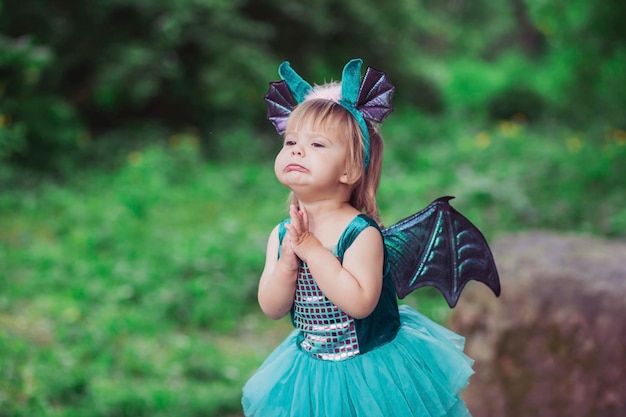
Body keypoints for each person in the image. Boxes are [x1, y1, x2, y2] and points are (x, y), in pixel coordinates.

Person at [242, 59, 475, 417]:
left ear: (350, 169)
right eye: (291, 140)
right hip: (309, 371)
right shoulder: (283, 232)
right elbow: (272, 308)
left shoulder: (361, 234)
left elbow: (359, 303)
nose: (297, 150)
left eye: (317, 145)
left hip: (371, 372)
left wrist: (311, 250)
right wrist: (288, 263)